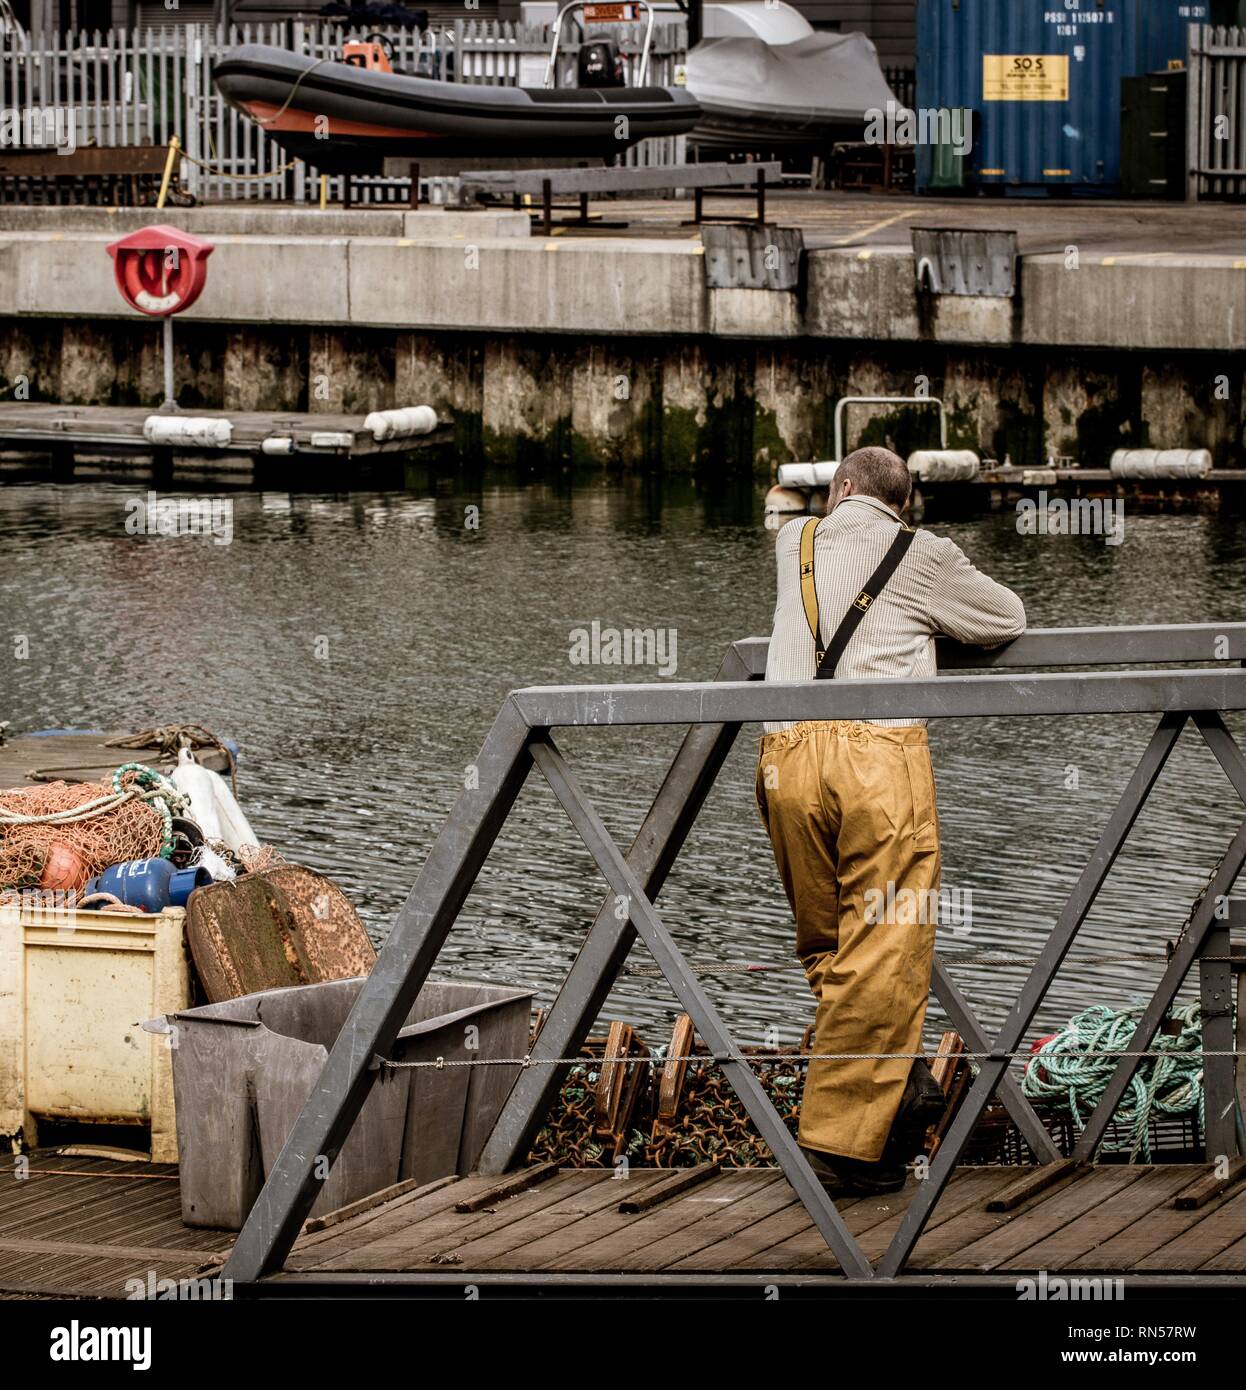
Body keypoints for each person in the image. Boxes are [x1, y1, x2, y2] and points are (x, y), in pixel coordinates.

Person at [756, 446, 1026, 1195]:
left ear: (840, 489)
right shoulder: (924, 553)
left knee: (829, 939)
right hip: (877, 755)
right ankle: (839, 1146)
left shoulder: (793, 543)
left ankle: (891, 1096)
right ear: (905, 504)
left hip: (785, 751)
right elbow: (1007, 617)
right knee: (887, 940)